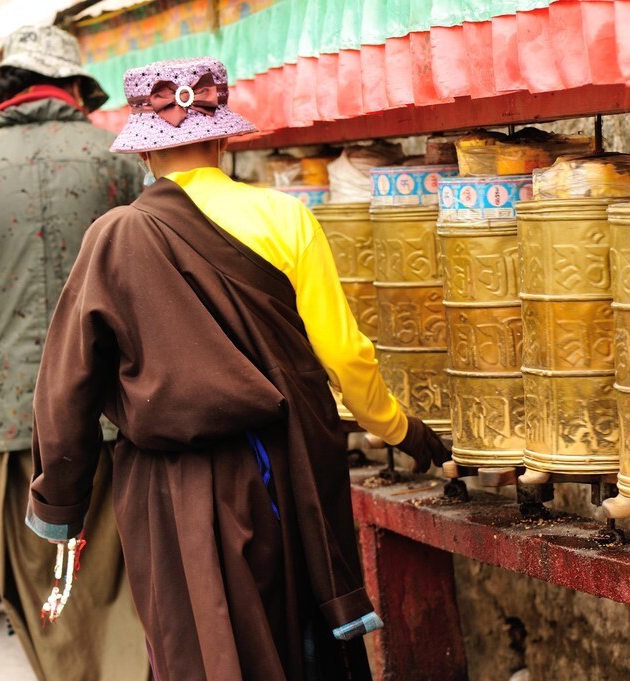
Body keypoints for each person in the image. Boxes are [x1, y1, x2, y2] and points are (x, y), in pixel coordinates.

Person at [25, 56, 451, 681]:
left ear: (145, 154)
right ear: (222, 137)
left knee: (193, 644)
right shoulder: (285, 219)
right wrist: (400, 430)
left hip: (165, 487)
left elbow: (67, 385)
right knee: (296, 639)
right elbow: (343, 354)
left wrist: (60, 503)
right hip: (279, 470)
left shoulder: (112, 237)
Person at [0, 25, 149, 681]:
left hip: (11, 416)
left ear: (6, 90)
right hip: (116, 407)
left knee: (39, 581)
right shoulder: (120, 157)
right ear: (74, 88)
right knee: (120, 575)